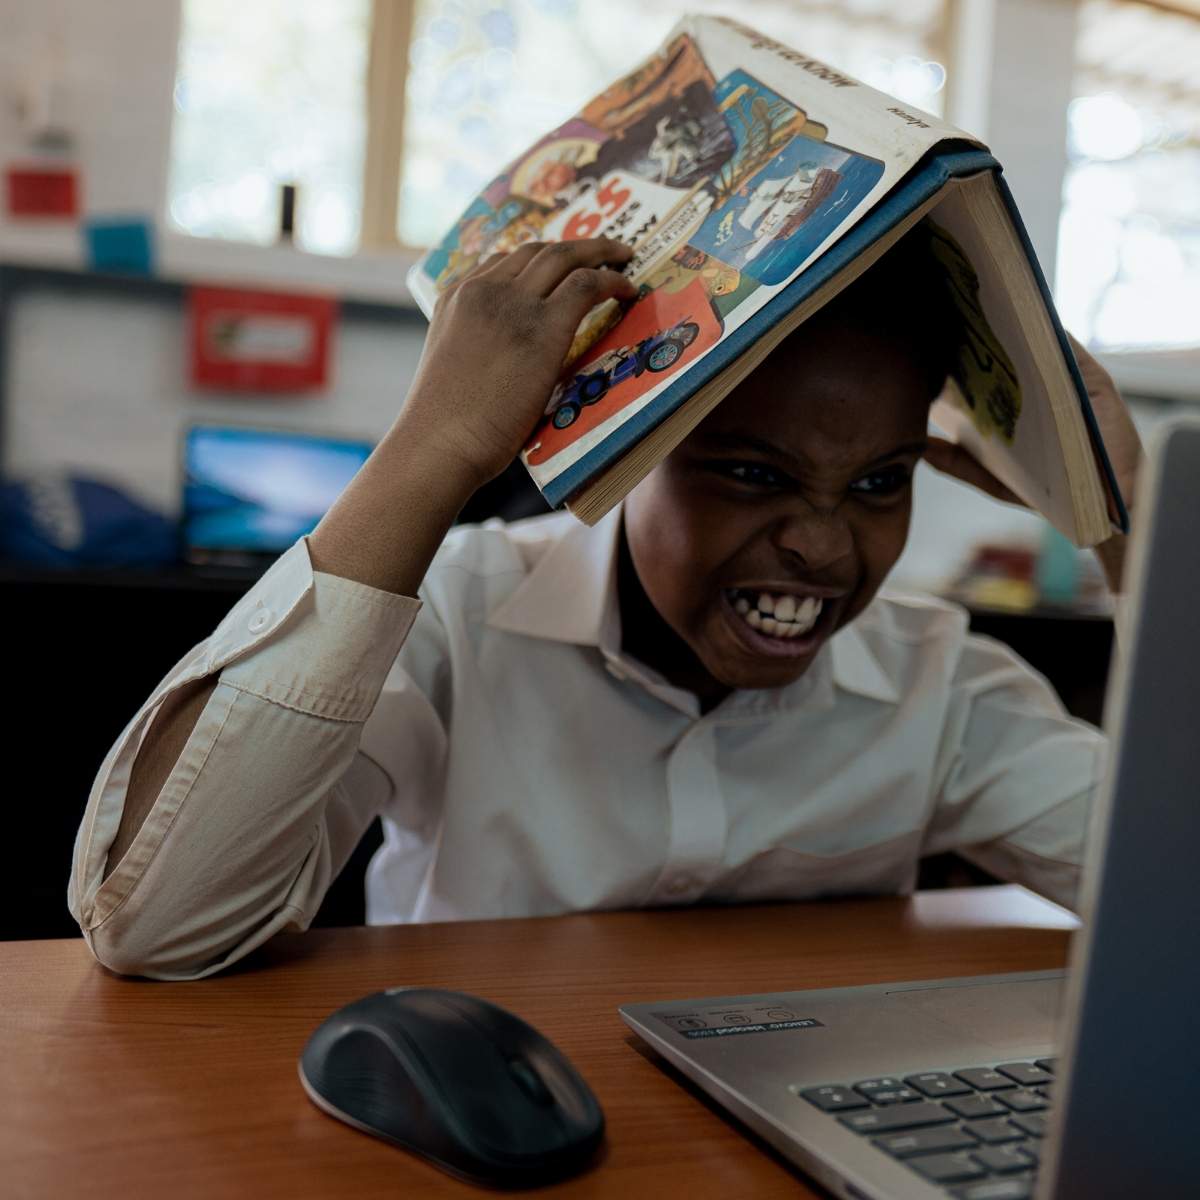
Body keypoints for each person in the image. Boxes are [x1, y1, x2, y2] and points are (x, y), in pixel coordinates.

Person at [68, 235, 1142, 980]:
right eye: (753, 475)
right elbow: (157, 928)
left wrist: (1129, 528)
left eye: (878, 482)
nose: (822, 545)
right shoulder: (457, 618)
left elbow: (1169, 905)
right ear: (631, 459)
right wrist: (435, 445)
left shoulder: (937, 681)